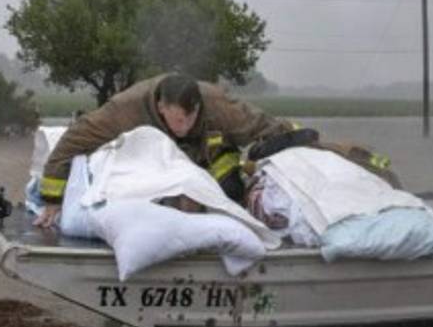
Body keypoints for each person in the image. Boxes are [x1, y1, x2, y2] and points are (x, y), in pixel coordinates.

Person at [34, 73, 298, 228]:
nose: (181, 127)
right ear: (160, 108)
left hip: (210, 165)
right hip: (155, 172)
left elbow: (263, 125)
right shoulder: (126, 109)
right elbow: (73, 141)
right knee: (166, 211)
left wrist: (298, 138)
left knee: (232, 192)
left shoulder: (217, 105)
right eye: (175, 120)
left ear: (197, 108)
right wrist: (52, 199)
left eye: (188, 120)